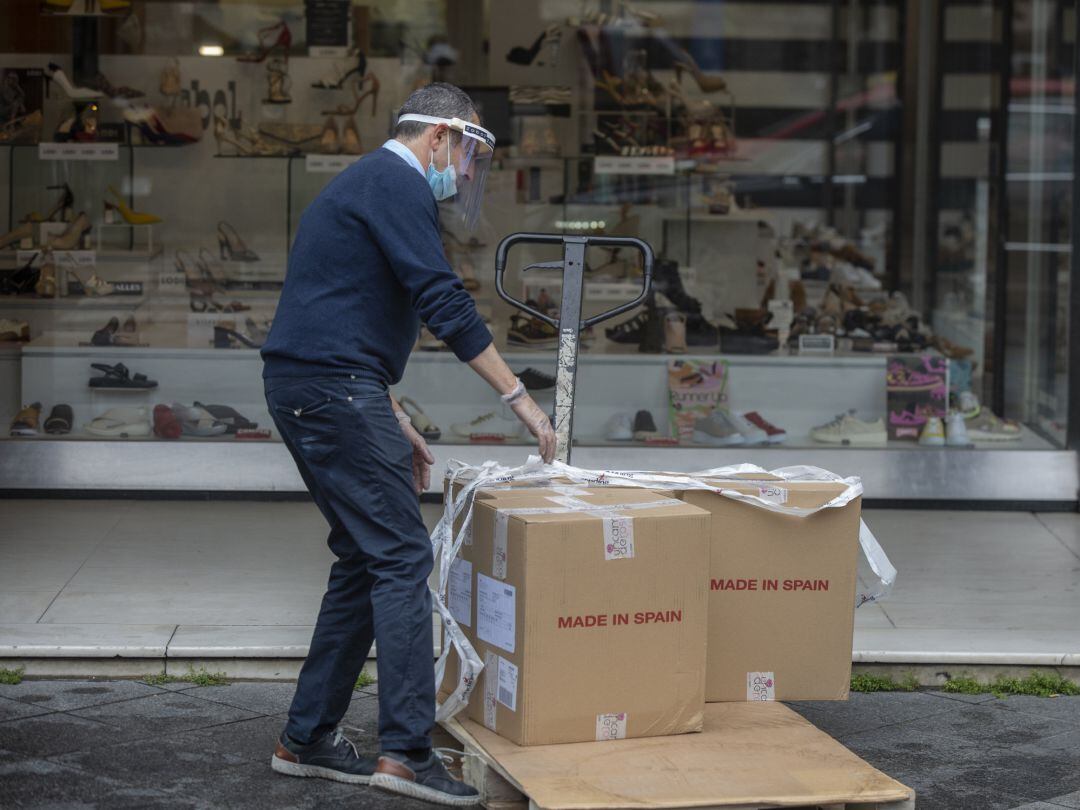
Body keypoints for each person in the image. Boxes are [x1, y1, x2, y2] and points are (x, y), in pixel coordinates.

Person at [260, 83, 555, 805]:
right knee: (400, 556)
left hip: (318, 384)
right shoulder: (395, 182)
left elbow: (337, 306)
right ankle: (407, 753)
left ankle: (306, 740)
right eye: (466, 155)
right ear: (438, 139)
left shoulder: (364, 184)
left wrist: (388, 411)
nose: (464, 173)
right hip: (331, 390)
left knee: (367, 555)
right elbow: (442, 299)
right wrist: (518, 398)